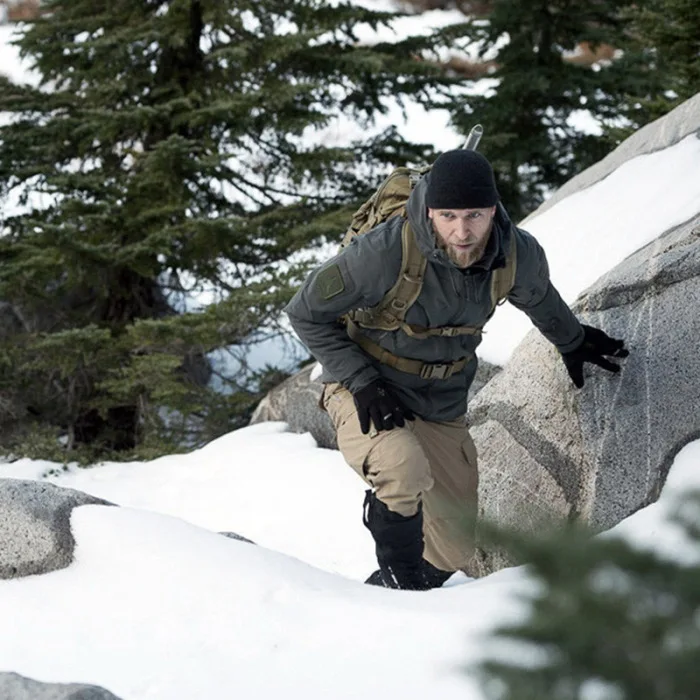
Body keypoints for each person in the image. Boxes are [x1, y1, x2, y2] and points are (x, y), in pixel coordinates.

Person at [284, 149, 628, 591]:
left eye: (474, 216)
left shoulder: (517, 254)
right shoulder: (386, 251)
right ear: (430, 211)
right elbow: (305, 312)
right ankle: (395, 586)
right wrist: (361, 380)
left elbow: (540, 299)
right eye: (447, 215)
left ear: (493, 211)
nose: (462, 231)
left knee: (456, 545)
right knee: (401, 467)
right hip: (366, 388)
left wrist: (573, 342)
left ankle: (416, 583)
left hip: (438, 400)